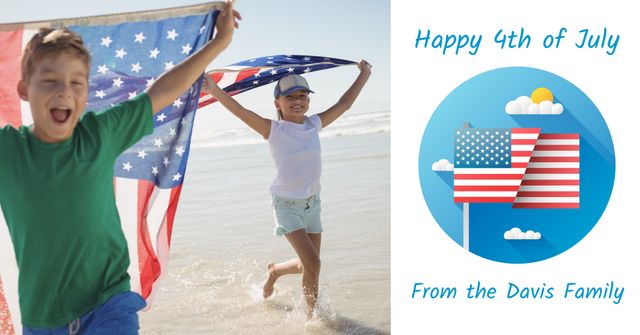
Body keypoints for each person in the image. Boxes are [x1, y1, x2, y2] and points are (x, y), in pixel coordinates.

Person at [0, 2, 240, 334]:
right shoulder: (8, 151)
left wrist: (219, 43)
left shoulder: (99, 134)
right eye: (50, 80)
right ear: (24, 89)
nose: (63, 92)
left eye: (76, 83)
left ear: (86, 94)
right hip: (43, 316)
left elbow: (160, 92)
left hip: (108, 301)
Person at [205, 60, 372, 318]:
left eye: (303, 96)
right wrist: (215, 91)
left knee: (311, 264)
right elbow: (241, 112)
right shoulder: (273, 130)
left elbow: (344, 104)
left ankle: (276, 271)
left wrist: (364, 74)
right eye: (290, 97)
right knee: (313, 263)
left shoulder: (312, 124)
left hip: (313, 203)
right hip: (286, 205)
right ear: (277, 103)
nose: (298, 101)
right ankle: (311, 317)